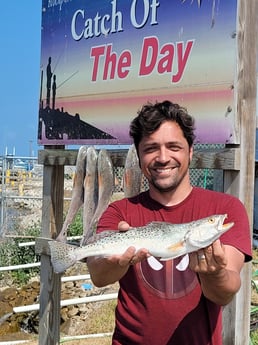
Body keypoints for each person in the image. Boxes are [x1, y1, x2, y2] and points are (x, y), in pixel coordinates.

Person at [87, 100, 252, 345]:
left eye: (174, 146)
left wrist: (215, 274)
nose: (163, 158)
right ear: (139, 154)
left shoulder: (226, 209)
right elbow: (98, 276)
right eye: (151, 148)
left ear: (190, 150)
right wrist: (117, 262)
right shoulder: (119, 212)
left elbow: (225, 293)